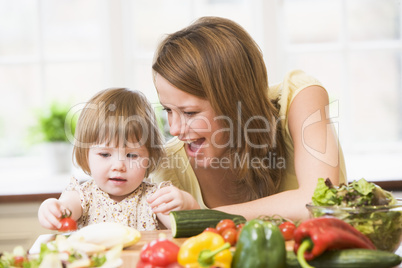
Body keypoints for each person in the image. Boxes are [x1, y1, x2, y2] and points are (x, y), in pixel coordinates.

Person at [147, 16, 347, 221]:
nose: (175, 130)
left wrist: (204, 217)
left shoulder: (300, 98)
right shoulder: (168, 168)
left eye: (189, 113)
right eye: (167, 110)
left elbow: (320, 204)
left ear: (235, 104)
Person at [38, 88, 199, 231]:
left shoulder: (154, 198)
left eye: (132, 155)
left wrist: (188, 204)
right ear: (85, 154)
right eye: (105, 154)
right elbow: (64, 209)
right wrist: (51, 208)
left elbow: (188, 227)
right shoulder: (83, 197)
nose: (118, 166)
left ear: (150, 158)